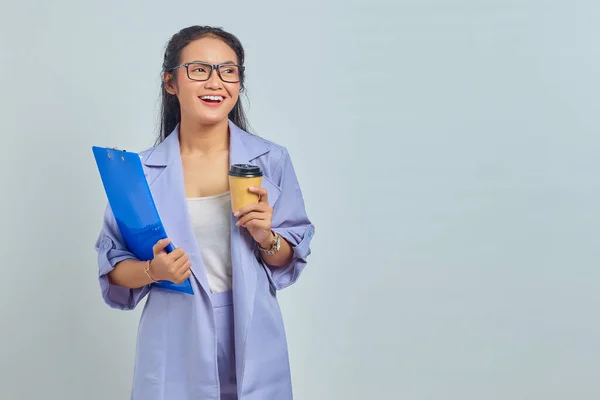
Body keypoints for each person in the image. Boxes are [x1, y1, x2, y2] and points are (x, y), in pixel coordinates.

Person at [94, 25, 315, 400]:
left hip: (251, 330)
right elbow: (112, 267)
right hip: (175, 334)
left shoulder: (271, 160)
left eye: (228, 71)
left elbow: (289, 258)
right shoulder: (140, 173)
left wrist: (268, 238)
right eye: (200, 70)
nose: (216, 82)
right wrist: (153, 271)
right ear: (171, 83)